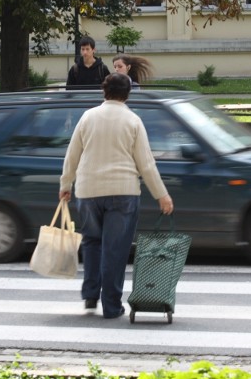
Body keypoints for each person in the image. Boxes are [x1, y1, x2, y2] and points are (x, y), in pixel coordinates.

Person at [59, 73, 174, 319]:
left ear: (104, 91)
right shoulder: (133, 121)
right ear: (127, 93)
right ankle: (111, 306)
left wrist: (66, 184)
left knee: (91, 241)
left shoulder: (88, 117)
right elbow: (146, 164)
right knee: (115, 249)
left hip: (88, 191)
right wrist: (161, 195)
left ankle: (90, 294)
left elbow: (72, 154)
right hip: (123, 192)